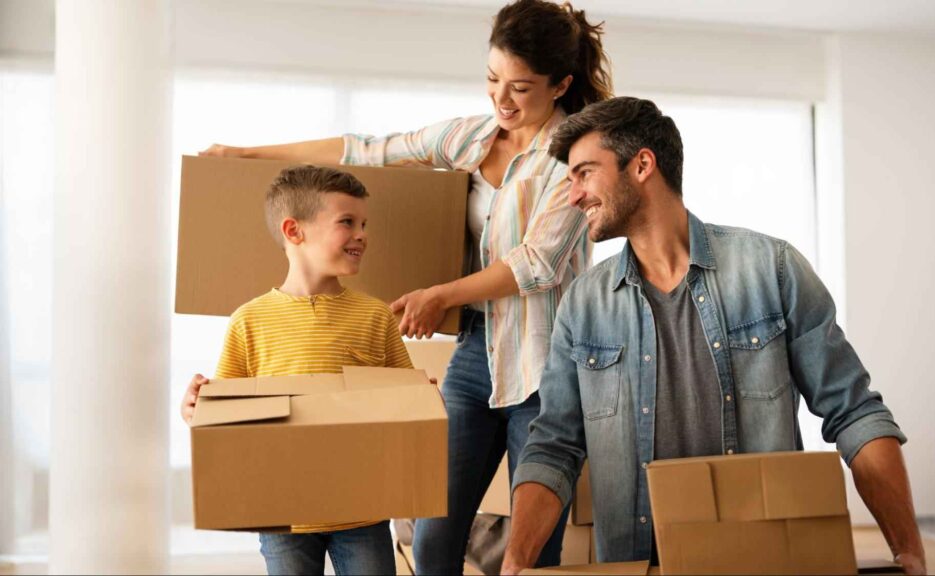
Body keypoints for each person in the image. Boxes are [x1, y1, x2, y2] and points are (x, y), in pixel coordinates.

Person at [196, 2, 613, 573]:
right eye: (492, 80)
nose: (502, 100)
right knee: (433, 539)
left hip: (545, 368)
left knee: (533, 552)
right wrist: (249, 154)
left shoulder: (572, 159)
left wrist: (440, 296)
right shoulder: (471, 138)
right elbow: (368, 149)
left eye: (521, 88)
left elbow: (536, 263)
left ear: (560, 85)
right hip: (475, 356)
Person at [500, 97, 928, 575]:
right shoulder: (583, 305)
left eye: (584, 173)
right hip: (637, 564)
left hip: (762, 561)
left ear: (642, 164)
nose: (574, 195)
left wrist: (907, 549)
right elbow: (554, 446)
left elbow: (854, 412)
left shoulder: (772, 269)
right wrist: (515, 561)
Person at [180, 165, 414, 575]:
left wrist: (423, 399)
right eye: (347, 222)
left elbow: (407, 408)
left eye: (363, 223)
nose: (362, 234)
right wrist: (195, 409)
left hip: (362, 509)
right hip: (283, 512)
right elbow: (223, 417)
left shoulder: (376, 317)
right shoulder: (249, 321)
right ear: (294, 231)